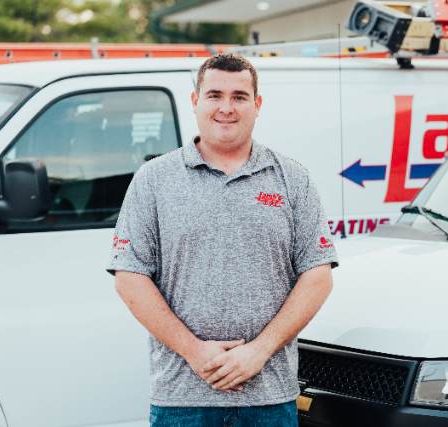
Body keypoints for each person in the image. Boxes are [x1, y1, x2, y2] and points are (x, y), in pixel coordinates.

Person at [107, 53, 338, 427]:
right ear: (195, 101)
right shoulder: (154, 179)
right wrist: (195, 352)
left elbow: (318, 275)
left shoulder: (292, 179)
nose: (226, 108)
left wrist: (258, 353)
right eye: (214, 95)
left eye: (239, 97)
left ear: (257, 105)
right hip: (181, 400)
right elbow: (129, 277)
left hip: (269, 399)